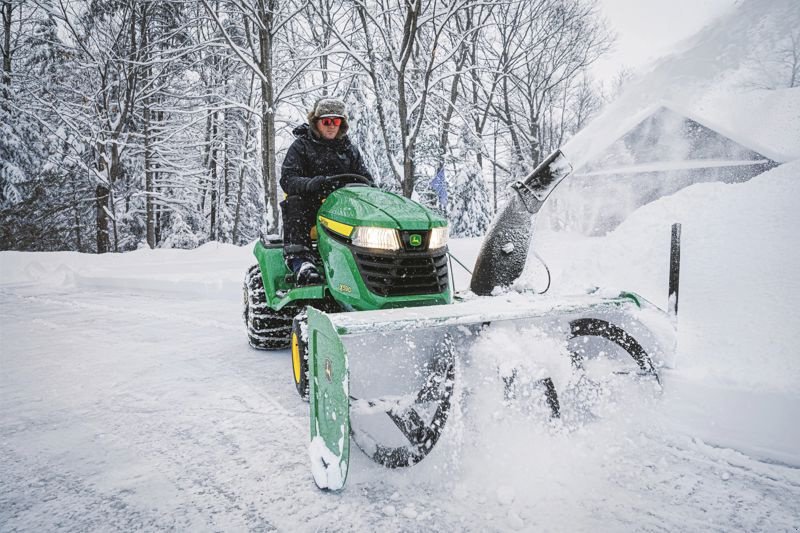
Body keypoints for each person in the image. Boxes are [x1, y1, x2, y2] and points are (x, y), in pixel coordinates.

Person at [280, 97, 374, 285]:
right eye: (327, 121)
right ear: (316, 122)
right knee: (294, 202)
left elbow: (367, 180)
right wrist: (312, 184)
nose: (332, 126)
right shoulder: (301, 147)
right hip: (311, 205)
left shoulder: (349, 150)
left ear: (342, 124)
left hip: (343, 206)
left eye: (336, 121)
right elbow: (288, 179)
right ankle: (301, 261)